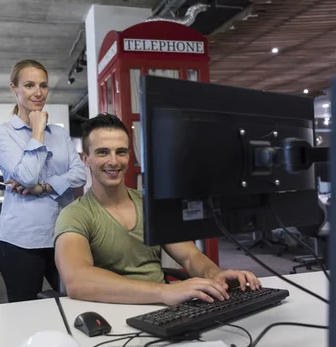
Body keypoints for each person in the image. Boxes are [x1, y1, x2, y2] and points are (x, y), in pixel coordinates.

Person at [54, 114, 262, 306]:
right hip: (113, 310)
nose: (113, 161)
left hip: (163, 307)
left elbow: (189, 256)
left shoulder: (149, 205)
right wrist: (163, 292)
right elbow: (77, 280)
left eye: (121, 152)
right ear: (85, 159)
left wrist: (214, 273)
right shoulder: (74, 215)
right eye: (102, 152)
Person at [0, 59, 87, 303]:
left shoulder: (61, 133)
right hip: (22, 241)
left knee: (75, 303)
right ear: (14, 88)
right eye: (29, 85)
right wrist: (37, 130)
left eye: (43, 86)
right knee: (24, 313)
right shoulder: (3, 134)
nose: (38, 92)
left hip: (63, 235)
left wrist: (42, 187)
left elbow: (80, 174)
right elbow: (26, 176)